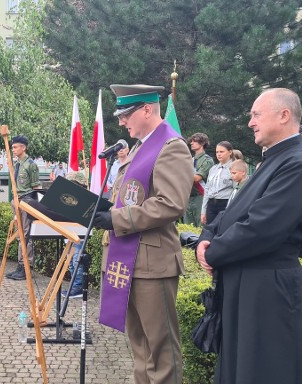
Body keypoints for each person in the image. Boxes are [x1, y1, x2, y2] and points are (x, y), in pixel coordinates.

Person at [196, 88, 302, 383]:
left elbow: (262, 227)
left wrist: (212, 252)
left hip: (270, 285)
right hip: (250, 280)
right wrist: (206, 238)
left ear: (284, 115)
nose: (250, 122)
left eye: (256, 115)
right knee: (241, 365)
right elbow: (232, 213)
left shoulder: (301, 164)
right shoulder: (274, 160)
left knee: (268, 368)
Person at [90, 84, 192, 383]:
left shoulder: (171, 146)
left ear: (148, 109)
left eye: (126, 114)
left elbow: (170, 203)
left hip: (152, 264)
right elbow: (130, 197)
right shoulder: (141, 146)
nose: (121, 122)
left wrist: (115, 218)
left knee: (160, 350)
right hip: (127, 260)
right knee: (139, 347)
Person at [5, 134, 41, 281]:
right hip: (17, 201)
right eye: (12, 147)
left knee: (26, 235)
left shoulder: (30, 164)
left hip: (26, 200)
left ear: (23, 148)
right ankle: (20, 266)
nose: (13, 149)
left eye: (15, 147)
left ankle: (26, 267)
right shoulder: (16, 164)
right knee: (19, 234)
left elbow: (36, 187)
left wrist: (32, 206)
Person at [61, 169, 91, 298]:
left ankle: (78, 288)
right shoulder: (68, 198)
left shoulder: (84, 200)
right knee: (71, 263)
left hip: (80, 235)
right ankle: (75, 286)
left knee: (76, 262)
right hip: (69, 234)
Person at [201, 141, 235, 225]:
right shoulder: (213, 169)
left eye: (222, 152)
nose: (219, 154)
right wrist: (203, 211)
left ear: (230, 152)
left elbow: (236, 190)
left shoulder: (234, 167)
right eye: (217, 152)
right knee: (210, 231)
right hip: (211, 204)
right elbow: (207, 189)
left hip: (225, 203)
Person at [186, 133, 213, 227]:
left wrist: (180, 176)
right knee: (187, 229)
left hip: (200, 196)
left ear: (202, 143)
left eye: (194, 141)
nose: (191, 143)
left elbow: (197, 178)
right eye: (191, 141)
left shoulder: (207, 160)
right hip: (188, 196)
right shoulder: (190, 160)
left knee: (200, 226)